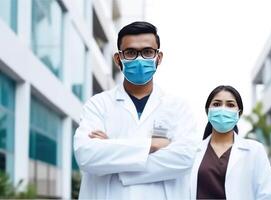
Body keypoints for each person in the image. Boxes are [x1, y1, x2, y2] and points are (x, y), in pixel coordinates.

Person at [74, 21, 199, 199]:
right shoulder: (98, 105)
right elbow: (87, 156)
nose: (140, 59)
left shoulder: (178, 107)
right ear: (118, 59)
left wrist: (112, 150)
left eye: (148, 52)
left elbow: (184, 158)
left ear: (159, 57)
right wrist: (151, 145)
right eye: (131, 52)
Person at [190, 85, 271, 200]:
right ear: (208, 111)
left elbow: (268, 195)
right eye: (217, 104)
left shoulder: (255, 150)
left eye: (230, 105)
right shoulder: (192, 150)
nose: (223, 109)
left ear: (239, 113)